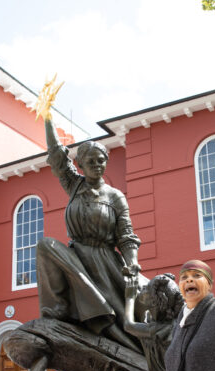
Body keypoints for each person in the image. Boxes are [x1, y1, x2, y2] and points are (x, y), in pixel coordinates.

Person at [36, 114, 142, 352]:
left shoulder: (115, 197)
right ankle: (58, 309)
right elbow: (57, 156)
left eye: (101, 160)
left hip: (104, 261)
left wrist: (132, 263)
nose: (97, 165)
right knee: (46, 246)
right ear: (80, 165)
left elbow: (126, 235)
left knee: (122, 319)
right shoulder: (74, 185)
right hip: (77, 256)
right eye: (90, 161)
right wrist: (47, 117)